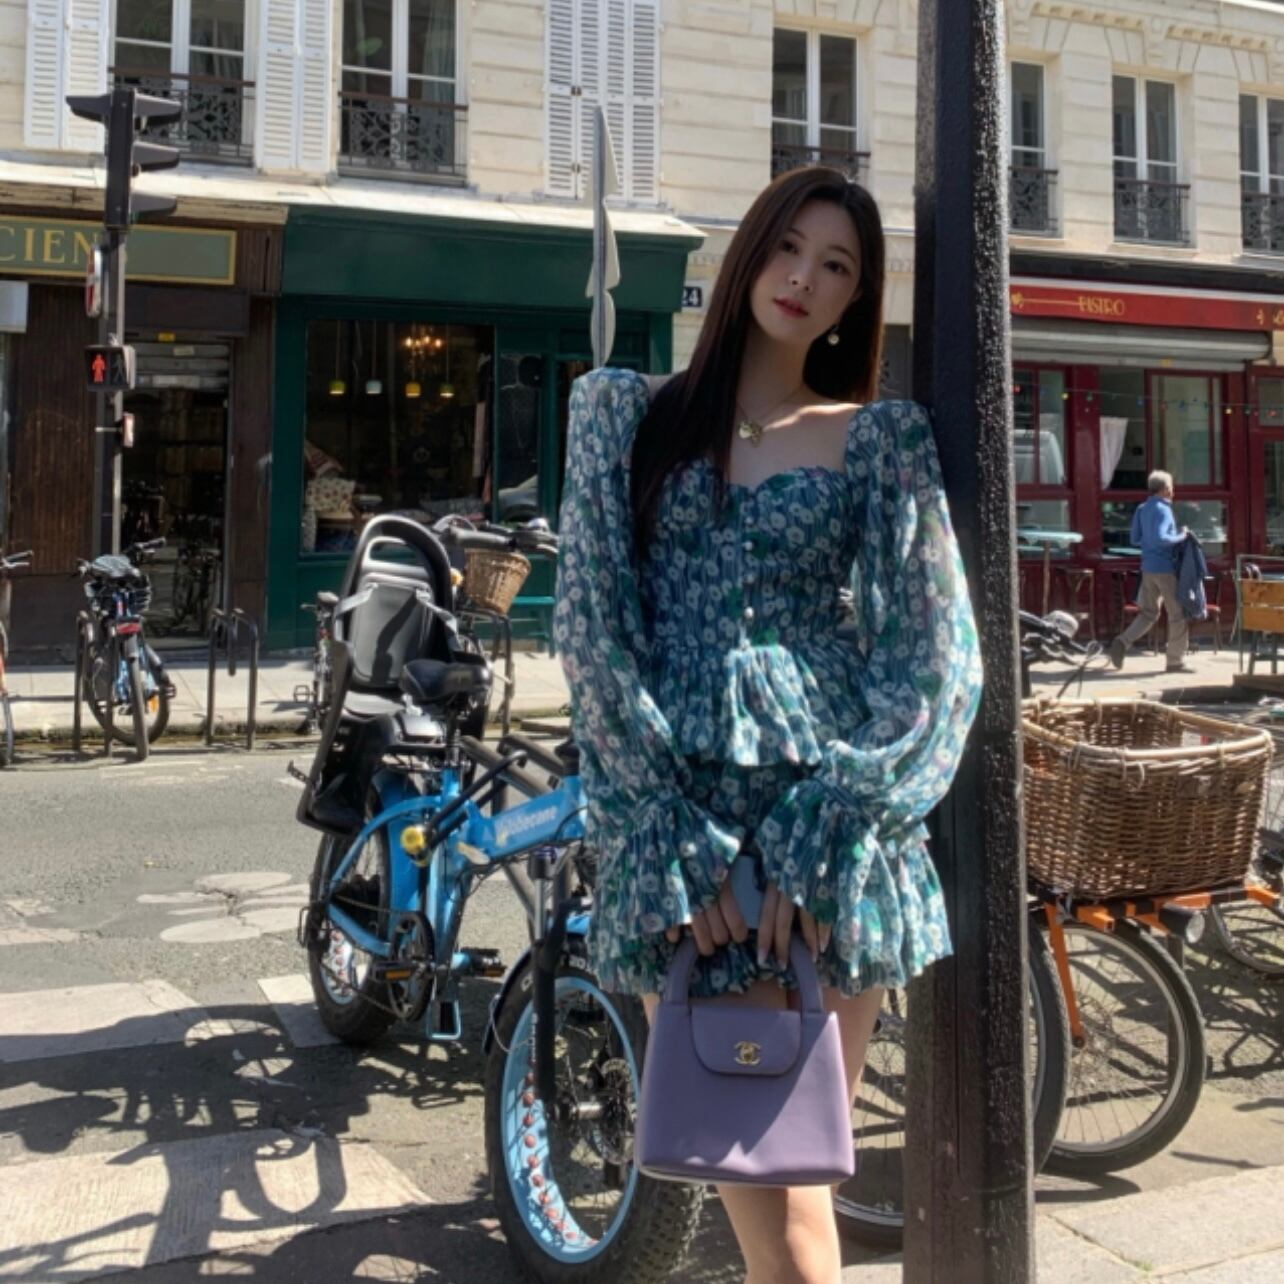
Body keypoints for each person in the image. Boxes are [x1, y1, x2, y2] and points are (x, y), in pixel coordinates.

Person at [553, 166, 982, 1284]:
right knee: (771, 1204)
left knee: (792, 1193)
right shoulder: (626, 414)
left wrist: (831, 822)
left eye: (836, 266)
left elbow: (938, 655)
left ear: (856, 299)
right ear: (748, 251)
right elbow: (592, 629)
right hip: (678, 827)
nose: (804, 278)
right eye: (790, 248)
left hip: (827, 837)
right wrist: (668, 832)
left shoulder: (878, 438)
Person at [1108, 470, 1193, 674]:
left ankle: (1123, 641)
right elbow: (1162, 538)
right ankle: (1175, 661)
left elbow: (1135, 539)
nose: (1173, 492)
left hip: (1147, 569)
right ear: (1165, 489)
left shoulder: (1142, 508)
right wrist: (1182, 536)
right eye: (1171, 488)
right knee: (1178, 614)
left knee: (1148, 613)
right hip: (1166, 569)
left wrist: (1151, 542)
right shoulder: (1164, 510)